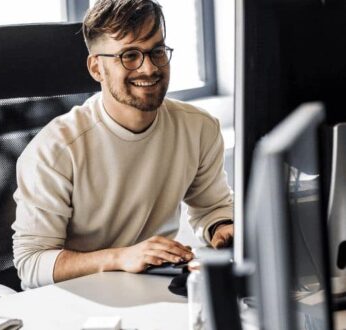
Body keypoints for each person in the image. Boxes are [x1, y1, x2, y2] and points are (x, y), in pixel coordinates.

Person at [12, 0, 233, 289]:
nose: (149, 68)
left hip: (156, 289)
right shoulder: (55, 150)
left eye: (157, 51)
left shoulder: (199, 128)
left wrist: (223, 228)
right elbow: (31, 264)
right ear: (97, 68)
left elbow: (211, 207)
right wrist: (119, 258)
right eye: (129, 55)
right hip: (77, 301)